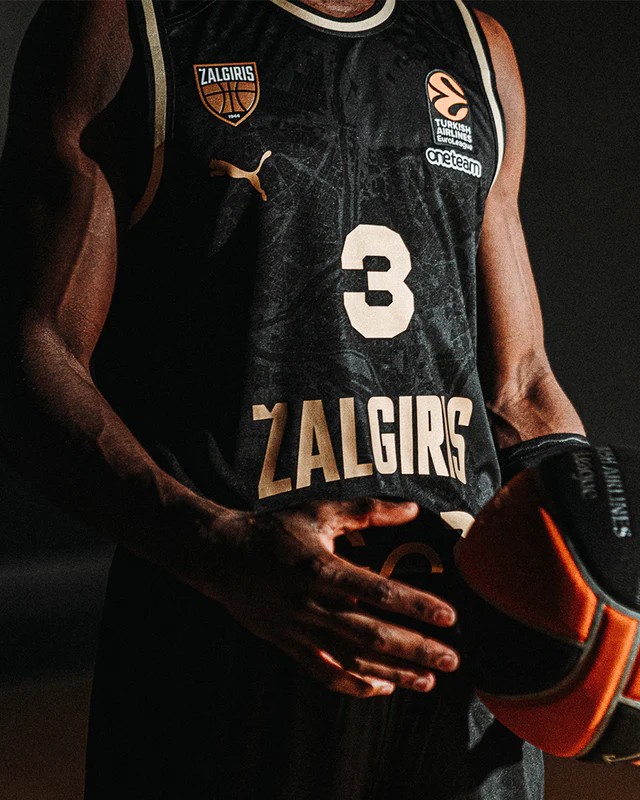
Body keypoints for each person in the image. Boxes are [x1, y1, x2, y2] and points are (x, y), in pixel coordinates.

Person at [0, 0, 587, 797]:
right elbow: (31, 354)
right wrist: (218, 549)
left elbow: (521, 383)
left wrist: (609, 562)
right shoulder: (125, 26)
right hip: (229, 633)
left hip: (462, 645)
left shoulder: (477, 50)